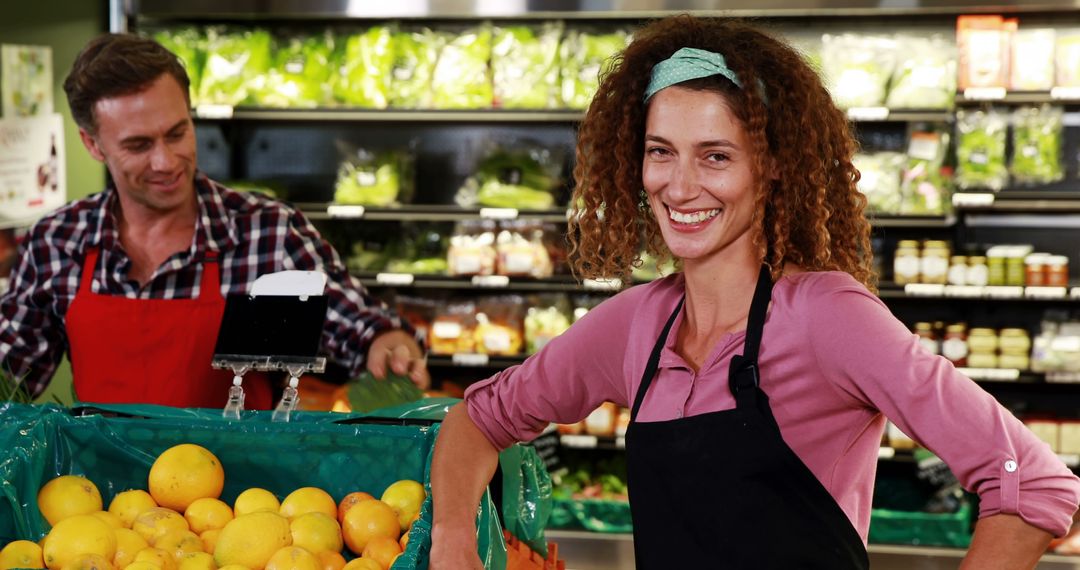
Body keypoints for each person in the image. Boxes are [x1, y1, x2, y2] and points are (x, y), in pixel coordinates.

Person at [430, 15, 1080, 569]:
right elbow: (477, 420)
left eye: (715, 156)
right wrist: (454, 539)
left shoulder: (828, 317)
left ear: (772, 170)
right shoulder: (636, 324)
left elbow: (1036, 485)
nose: (680, 187)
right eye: (661, 152)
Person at [0, 33, 428, 410]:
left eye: (177, 133)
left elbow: (356, 325)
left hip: (241, 495)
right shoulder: (56, 242)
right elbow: (10, 375)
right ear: (92, 144)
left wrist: (387, 344)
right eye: (138, 145)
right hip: (99, 494)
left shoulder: (266, 233)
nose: (165, 161)